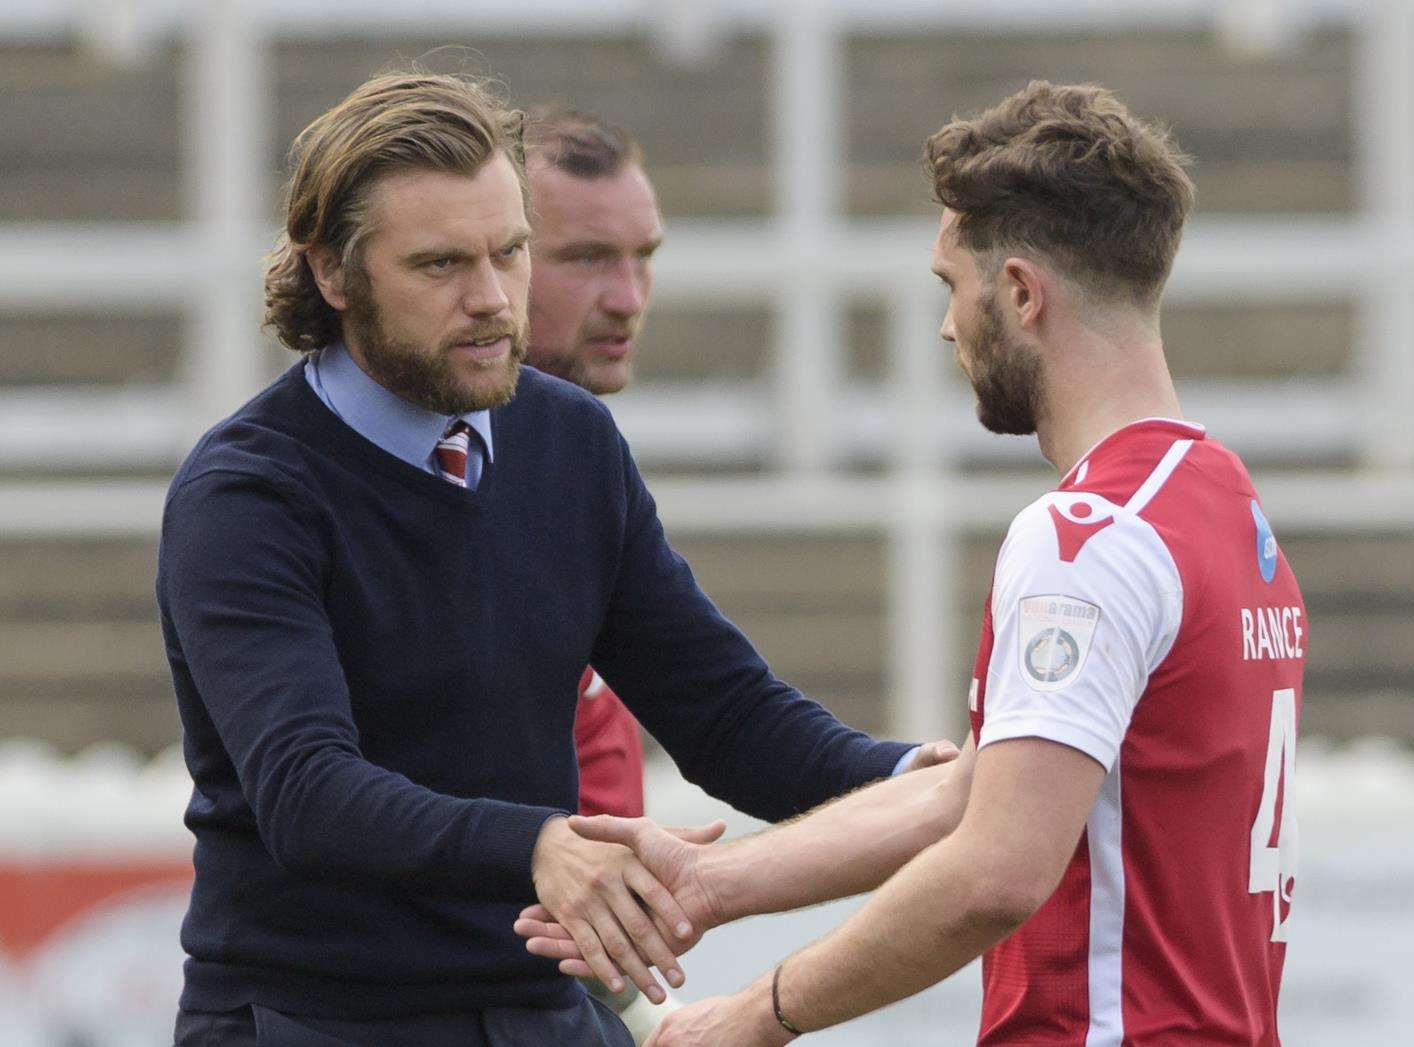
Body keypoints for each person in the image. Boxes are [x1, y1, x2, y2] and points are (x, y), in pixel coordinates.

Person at [157, 71, 947, 1047]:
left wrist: (922, 777)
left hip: (535, 1010)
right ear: (331, 273)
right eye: (442, 264)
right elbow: (309, 792)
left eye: (511, 252)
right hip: (313, 1019)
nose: (491, 299)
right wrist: (533, 843)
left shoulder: (568, 440)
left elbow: (725, 715)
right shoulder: (249, 494)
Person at [520, 81, 1307, 1046]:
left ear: (1018, 292)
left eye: (952, 285)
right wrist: (710, 884)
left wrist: (756, 1014)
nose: (946, 327)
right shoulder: (1220, 504)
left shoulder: (1087, 538)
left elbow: (994, 870)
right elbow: (975, 792)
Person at [519, 107, 952, 823]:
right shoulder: (331, 476)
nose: (628, 298)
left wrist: (917, 774)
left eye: (644, 257)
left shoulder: (579, 461)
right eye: (587, 257)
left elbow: (725, 716)